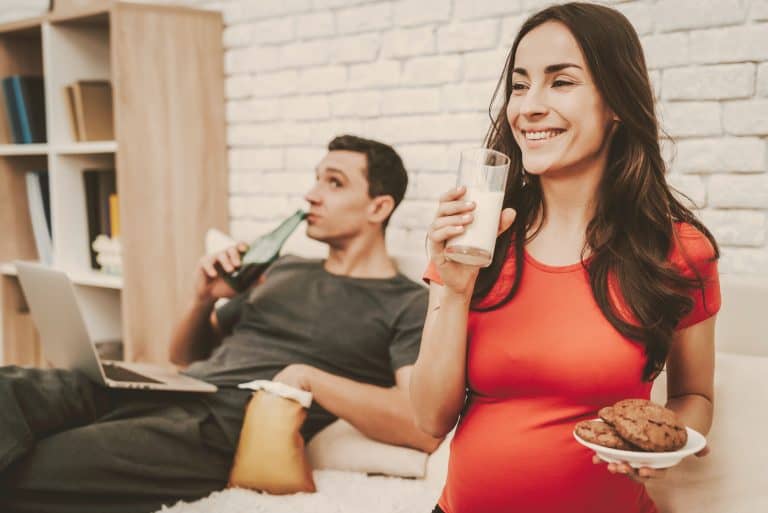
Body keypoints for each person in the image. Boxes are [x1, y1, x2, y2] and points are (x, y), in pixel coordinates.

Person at [0, 134, 440, 513]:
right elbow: (185, 356)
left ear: (379, 207)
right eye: (316, 177)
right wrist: (203, 299)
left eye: (334, 183)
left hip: (218, 429)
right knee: (12, 386)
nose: (311, 194)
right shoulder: (283, 268)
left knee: (36, 468)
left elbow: (417, 424)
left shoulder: (405, 303)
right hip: (173, 388)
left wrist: (311, 379)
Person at [410, 4, 720, 513]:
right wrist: (454, 288)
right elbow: (428, 419)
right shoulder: (474, 237)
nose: (528, 106)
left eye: (561, 82)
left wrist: (670, 443)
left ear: (617, 101)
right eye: (519, 84)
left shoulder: (680, 250)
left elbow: (695, 398)